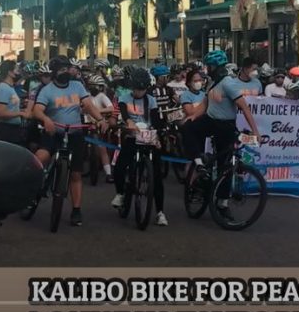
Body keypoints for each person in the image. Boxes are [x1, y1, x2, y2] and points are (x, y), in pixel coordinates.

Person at [33, 56, 110, 227]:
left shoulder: (77, 86)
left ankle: (76, 209)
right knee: (41, 157)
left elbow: (89, 105)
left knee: (76, 173)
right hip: (54, 132)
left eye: (67, 68)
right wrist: (46, 120)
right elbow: (37, 110)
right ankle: (33, 187)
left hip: (75, 133)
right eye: (61, 69)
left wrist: (100, 119)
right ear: (54, 72)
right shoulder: (47, 90)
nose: (65, 72)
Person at [186, 55, 263, 221]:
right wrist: (191, 117)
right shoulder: (213, 83)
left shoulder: (228, 83)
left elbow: (244, 107)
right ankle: (199, 164)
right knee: (188, 130)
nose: (207, 69)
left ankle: (222, 203)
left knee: (226, 166)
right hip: (210, 121)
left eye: (209, 66)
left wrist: (255, 132)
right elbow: (205, 105)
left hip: (226, 126)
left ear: (214, 67)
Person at [111, 67, 170, 226]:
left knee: (157, 176)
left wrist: (158, 133)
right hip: (131, 136)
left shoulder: (151, 100)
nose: (139, 92)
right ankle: (121, 193)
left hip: (148, 137)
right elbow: (124, 115)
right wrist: (129, 124)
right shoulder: (124, 98)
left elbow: (156, 119)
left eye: (142, 89)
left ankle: (160, 212)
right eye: (137, 88)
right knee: (120, 167)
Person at [87, 74, 116, 181]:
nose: (92, 88)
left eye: (95, 86)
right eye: (91, 85)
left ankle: (108, 173)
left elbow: (111, 108)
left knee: (102, 148)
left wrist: (96, 111)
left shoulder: (102, 97)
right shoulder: (86, 96)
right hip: (86, 124)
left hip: (99, 124)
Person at [0, 60, 26, 146]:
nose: (18, 71)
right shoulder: (4, 88)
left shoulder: (10, 88)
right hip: (6, 130)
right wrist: (20, 113)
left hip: (13, 129)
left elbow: (10, 108)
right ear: (9, 72)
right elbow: (0, 112)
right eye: (16, 69)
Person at [179, 69, 209, 162]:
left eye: (200, 80)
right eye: (195, 81)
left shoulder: (204, 94)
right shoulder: (185, 95)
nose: (198, 83)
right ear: (189, 83)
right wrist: (204, 106)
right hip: (192, 126)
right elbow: (190, 112)